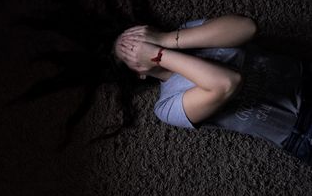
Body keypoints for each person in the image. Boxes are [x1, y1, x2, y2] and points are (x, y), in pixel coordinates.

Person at [113, 14, 312, 166]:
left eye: (134, 36)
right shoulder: (166, 107)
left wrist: (165, 39)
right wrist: (158, 55)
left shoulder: (185, 32)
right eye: (130, 52)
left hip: (302, 73)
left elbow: (248, 27)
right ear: (139, 74)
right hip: (301, 127)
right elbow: (227, 83)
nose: (136, 45)